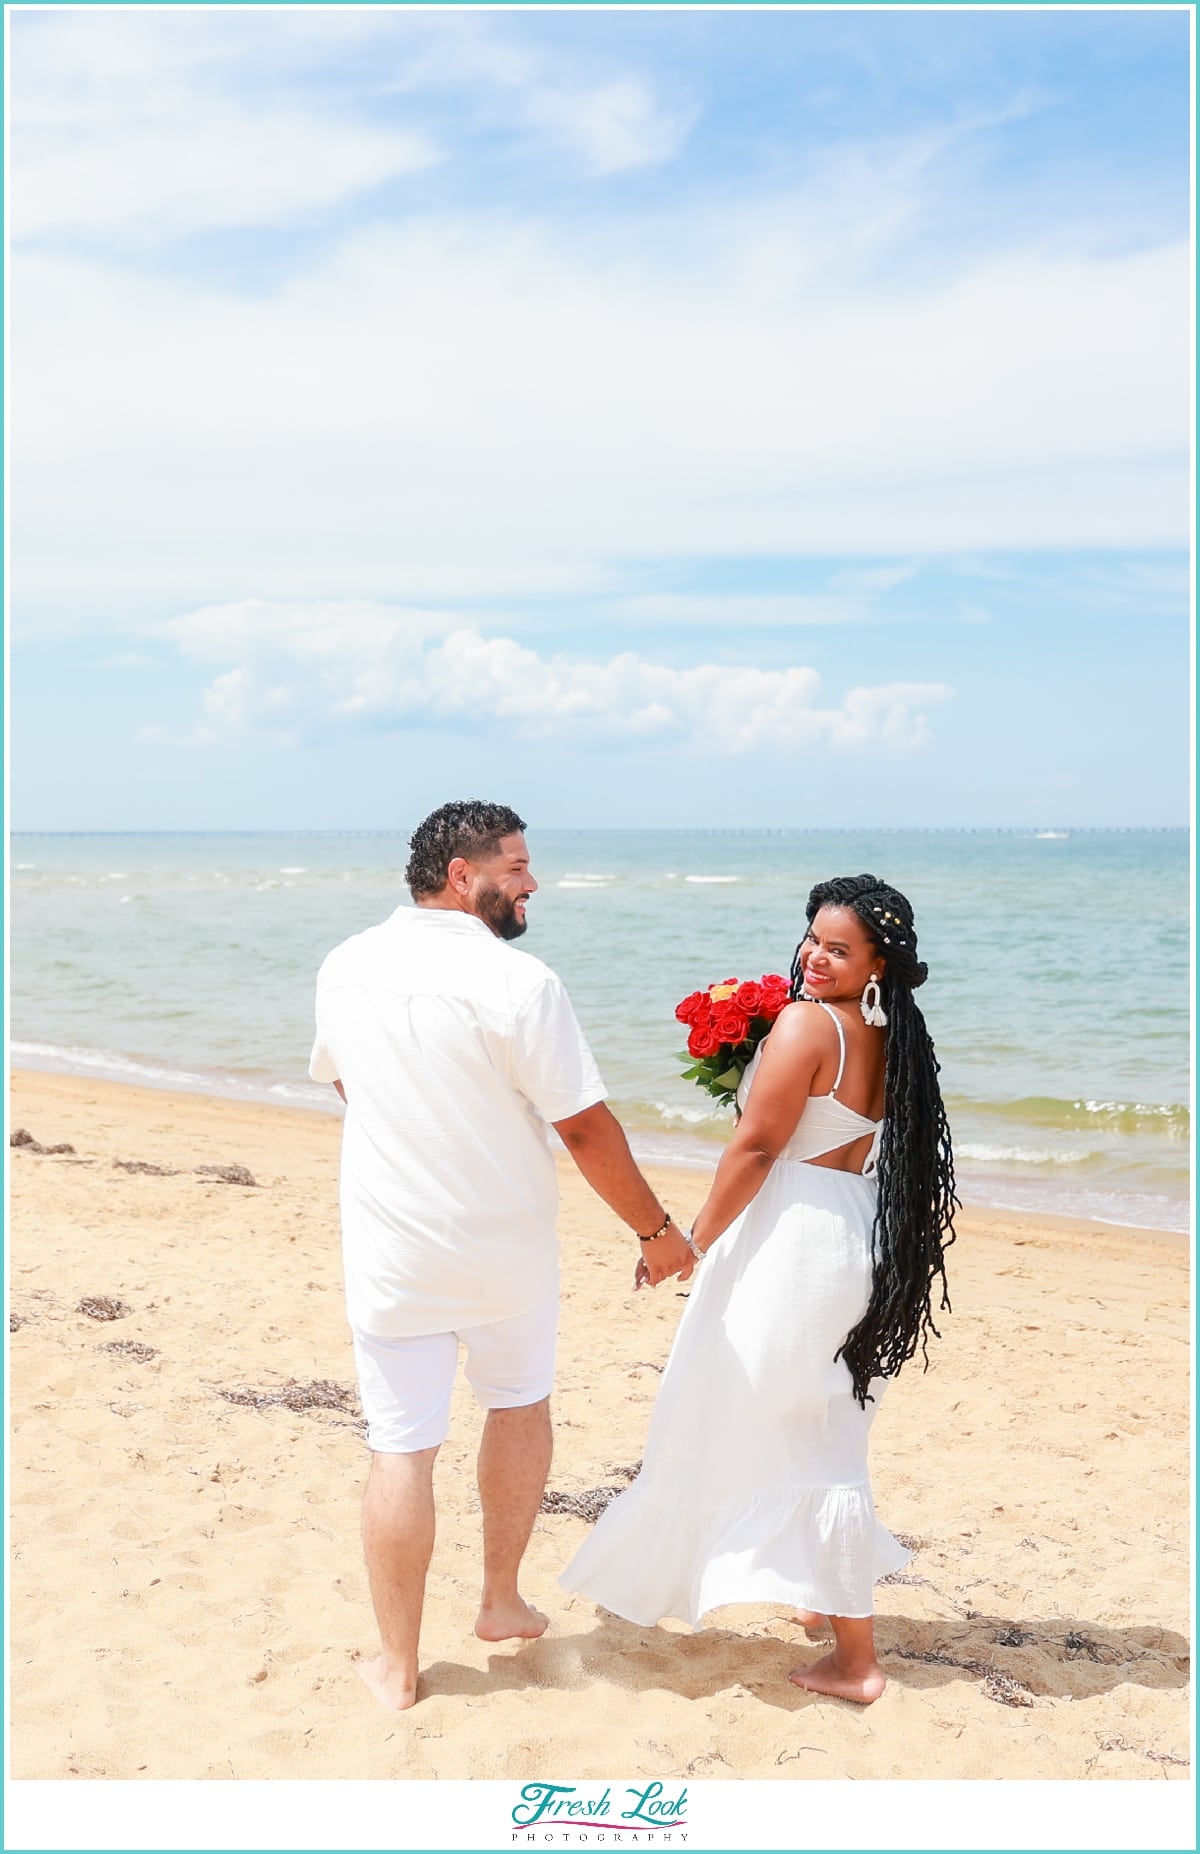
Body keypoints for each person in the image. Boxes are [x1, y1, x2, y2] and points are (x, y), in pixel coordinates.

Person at [309, 800, 693, 1712]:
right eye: (515, 867)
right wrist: (655, 1232)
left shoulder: (345, 963)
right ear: (461, 876)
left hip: (394, 1248)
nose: (530, 882)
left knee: (401, 1447)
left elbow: (346, 1085)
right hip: (504, 1249)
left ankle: (398, 1667)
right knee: (517, 1405)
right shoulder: (520, 983)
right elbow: (586, 1128)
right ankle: (499, 1600)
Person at [560, 873, 957, 1705]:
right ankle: (821, 1598)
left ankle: (856, 1661)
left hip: (792, 1242)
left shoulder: (810, 1025)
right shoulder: (891, 1038)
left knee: (805, 1437)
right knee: (818, 1418)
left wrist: (690, 1241)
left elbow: (754, 1149)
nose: (814, 956)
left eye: (838, 949)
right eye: (813, 938)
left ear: (879, 961)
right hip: (856, 1232)